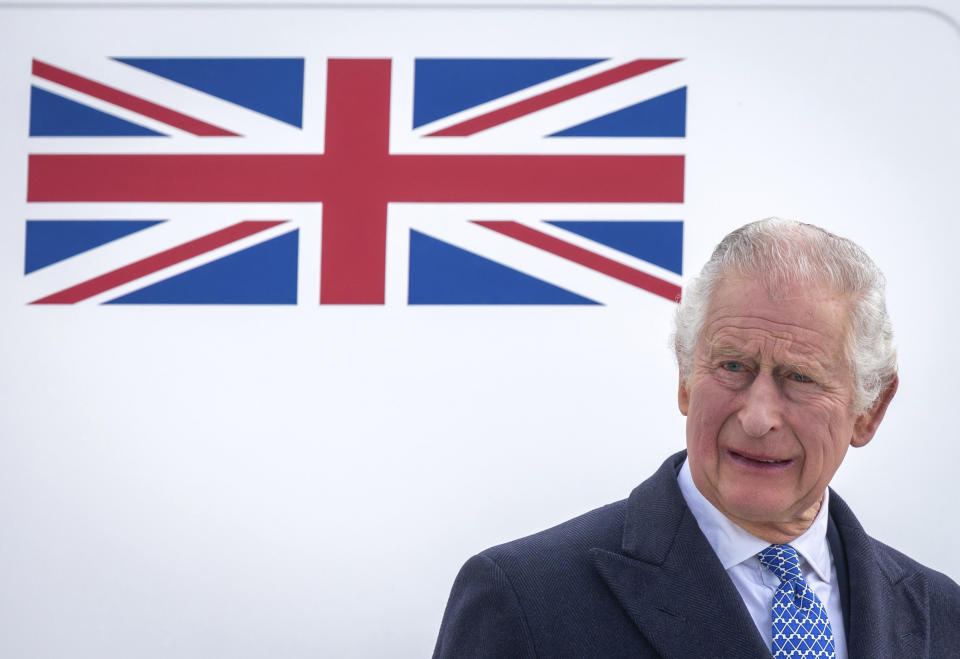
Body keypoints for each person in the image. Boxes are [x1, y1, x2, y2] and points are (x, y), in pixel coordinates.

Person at [433, 218, 960, 658]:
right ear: (685, 379)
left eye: (799, 378)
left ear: (870, 409)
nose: (758, 417)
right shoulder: (527, 599)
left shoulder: (943, 616)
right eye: (732, 366)